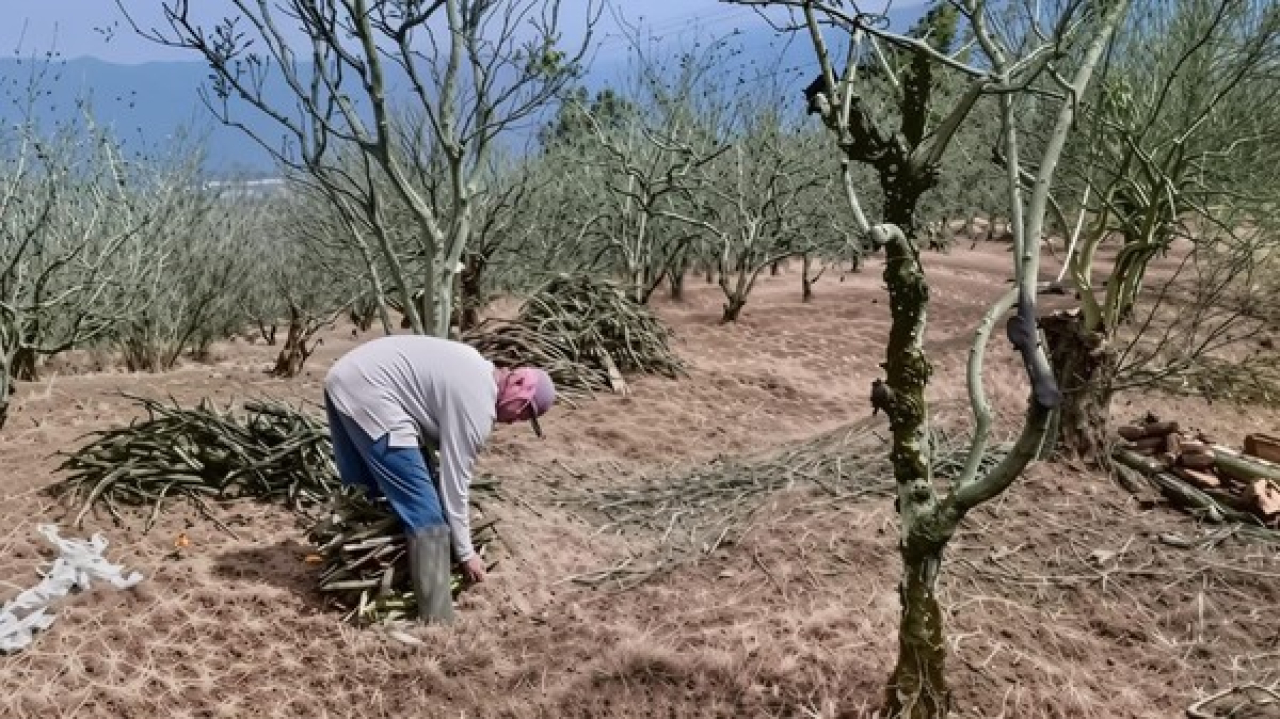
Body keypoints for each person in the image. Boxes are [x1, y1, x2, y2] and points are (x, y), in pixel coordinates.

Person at [322, 334, 555, 623]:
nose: (513, 422)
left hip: (346, 376)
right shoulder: (478, 404)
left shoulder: (474, 366)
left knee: (365, 491)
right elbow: (454, 484)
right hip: (372, 391)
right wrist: (466, 553)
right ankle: (438, 619)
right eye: (523, 413)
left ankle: (353, 580)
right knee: (426, 513)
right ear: (517, 386)